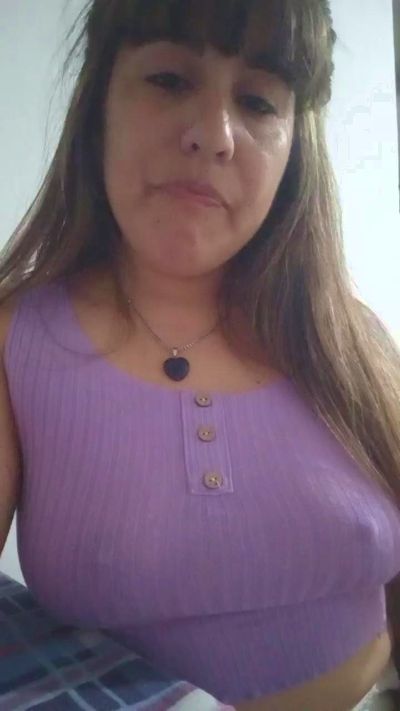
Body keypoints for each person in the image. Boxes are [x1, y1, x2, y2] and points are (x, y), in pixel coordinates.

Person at [1, 0, 400, 709]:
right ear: (99, 107)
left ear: (294, 148)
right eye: (169, 79)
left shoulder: (352, 337)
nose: (213, 135)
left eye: (258, 101)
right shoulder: (13, 340)